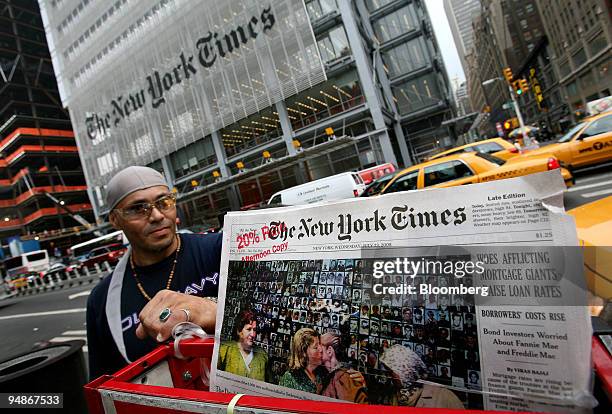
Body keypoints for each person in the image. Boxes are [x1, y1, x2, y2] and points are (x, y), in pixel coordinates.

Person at [86, 166, 222, 380]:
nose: (157, 216)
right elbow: (107, 385)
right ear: (115, 220)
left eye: (164, 202)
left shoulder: (219, 249)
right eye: (139, 208)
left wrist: (212, 310)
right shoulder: (103, 300)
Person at [380, 345, 464, 408]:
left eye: (391, 372)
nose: (388, 376)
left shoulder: (444, 397)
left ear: (405, 371)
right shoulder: (390, 396)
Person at [218, 310, 269, 381]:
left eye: (254, 330)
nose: (253, 334)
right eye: (249, 329)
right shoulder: (224, 350)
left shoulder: (263, 355)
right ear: (239, 331)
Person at [320, 333, 368, 403]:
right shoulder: (332, 373)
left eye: (319, 345)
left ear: (329, 351)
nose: (317, 348)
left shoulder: (343, 378)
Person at [279, 328, 327, 393]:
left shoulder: (322, 374)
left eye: (320, 345)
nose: (321, 349)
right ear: (303, 352)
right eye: (316, 347)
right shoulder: (290, 378)